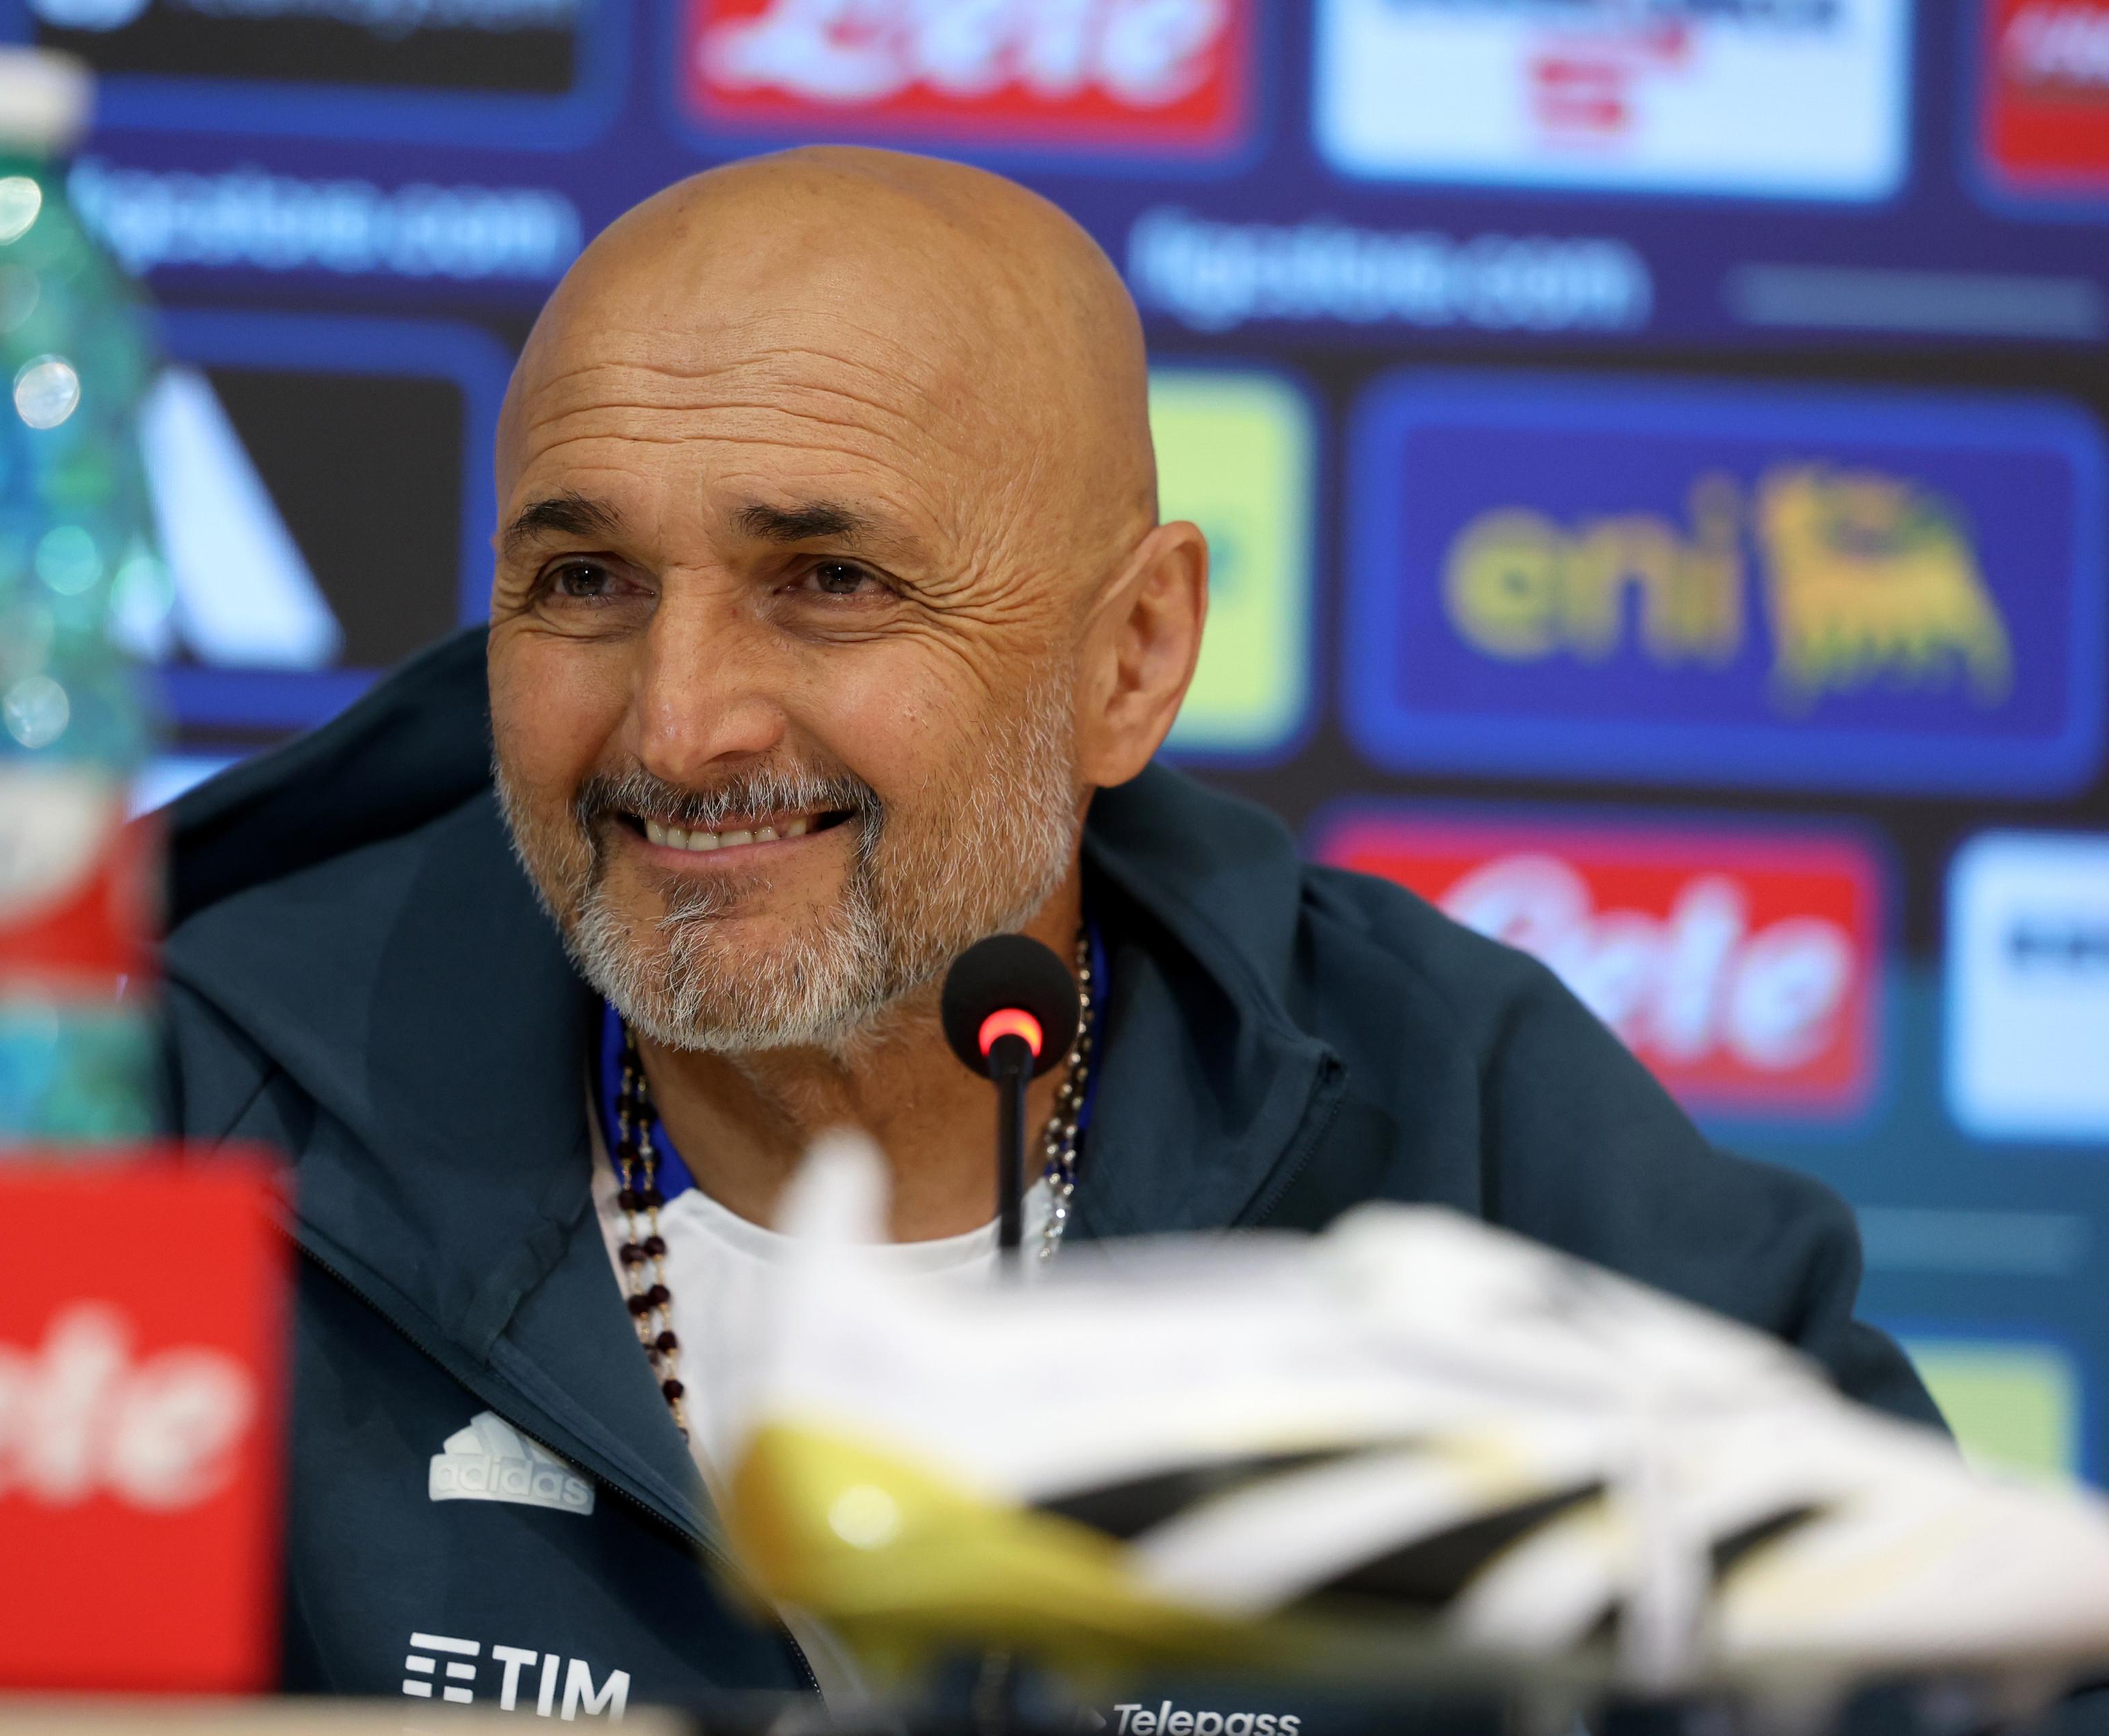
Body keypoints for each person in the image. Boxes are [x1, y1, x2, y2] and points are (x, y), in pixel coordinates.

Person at [159, 146, 1937, 1710]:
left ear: (1133, 657)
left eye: (830, 583)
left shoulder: (1461, 1130)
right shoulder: (161, 1116)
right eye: (585, 584)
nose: (679, 724)